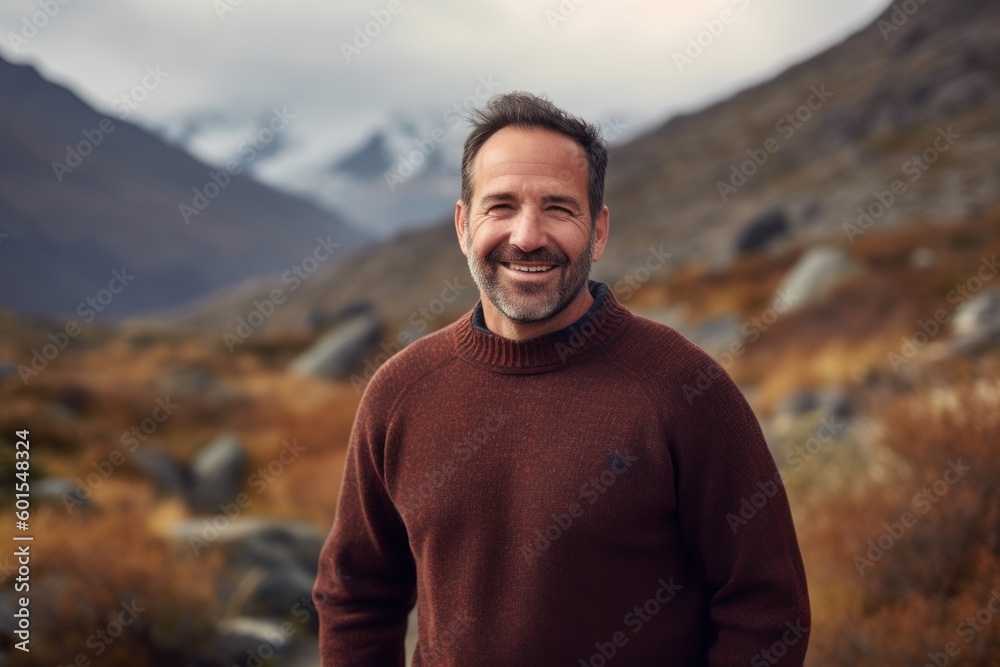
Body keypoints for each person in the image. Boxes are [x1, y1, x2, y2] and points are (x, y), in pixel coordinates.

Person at [313, 91, 810, 666]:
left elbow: (768, 610)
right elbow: (355, 595)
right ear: (461, 224)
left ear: (597, 231)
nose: (527, 236)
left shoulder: (684, 390)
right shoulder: (401, 392)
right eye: (500, 206)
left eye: (558, 208)